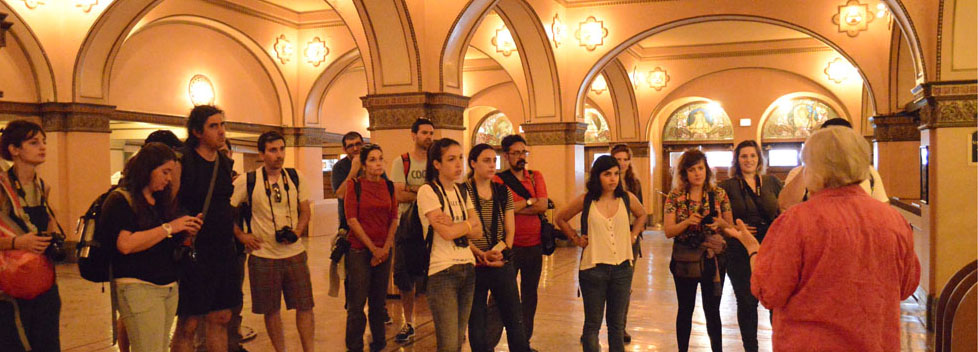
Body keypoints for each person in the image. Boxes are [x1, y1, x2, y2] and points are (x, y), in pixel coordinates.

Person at [722, 126, 920, 351]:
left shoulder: (796, 222)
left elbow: (769, 292)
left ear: (813, 168)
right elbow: (907, 286)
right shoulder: (893, 220)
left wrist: (753, 249)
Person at [102, 143, 202, 352]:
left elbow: (162, 241)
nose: (169, 179)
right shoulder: (120, 199)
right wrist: (169, 227)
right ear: (147, 169)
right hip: (138, 287)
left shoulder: (159, 200)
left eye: (171, 173)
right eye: (165, 172)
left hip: (167, 286)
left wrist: (184, 231)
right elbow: (126, 244)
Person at [230, 131, 314, 352]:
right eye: (273, 150)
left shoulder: (296, 177)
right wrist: (241, 236)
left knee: (305, 306)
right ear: (261, 154)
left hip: (294, 253)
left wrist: (297, 231)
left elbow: (305, 210)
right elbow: (226, 212)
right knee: (271, 309)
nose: (279, 155)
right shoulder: (248, 181)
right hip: (263, 256)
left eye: (281, 149)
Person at [555, 155, 647, 352]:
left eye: (616, 174)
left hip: (622, 269)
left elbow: (642, 214)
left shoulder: (626, 198)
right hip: (593, 270)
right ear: (597, 176)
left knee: (616, 326)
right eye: (607, 174)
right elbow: (560, 218)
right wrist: (575, 239)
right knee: (592, 325)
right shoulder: (586, 200)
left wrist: (634, 234)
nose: (613, 179)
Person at [170, 105, 243, 352]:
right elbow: (171, 203)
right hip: (195, 252)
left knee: (221, 317)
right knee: (189, 323)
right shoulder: (184, 161)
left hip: (223, 251)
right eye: (214, 126)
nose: (221, 131)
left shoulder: (224, 162)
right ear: (197, 131)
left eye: (222, 125)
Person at [0, 120, 62, 352]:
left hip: (43, 280)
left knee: (47, 345)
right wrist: (18, 242)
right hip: (9, 286)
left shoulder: (42, 187)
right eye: (34, 142)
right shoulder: (2, 188)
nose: (43, 147)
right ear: (14, 150)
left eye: (43, 142)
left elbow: (47, 225)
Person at [663, 149, 732, 352]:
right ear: (684, 173)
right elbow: (668, 231)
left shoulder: (718, 194)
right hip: (685, 258)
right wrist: (687, 222)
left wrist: (718, 222)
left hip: (713, 259)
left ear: (707, 170)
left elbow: (730, 228)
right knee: (685, 309)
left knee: (712, 311)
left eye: (700, 168)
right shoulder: (675, 196)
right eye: (692, 169)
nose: (697, 173)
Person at [417, 138, 482, 352]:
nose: (458, 165)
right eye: (451, 159)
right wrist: (467, 224)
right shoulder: (427, 191)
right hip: (442, 271)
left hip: (468, 268)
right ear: (436, 164)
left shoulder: (462, 191)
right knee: (448, 344)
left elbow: (479, 230)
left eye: (461, 158)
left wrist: (458, 225)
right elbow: (446, 233)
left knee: (458, 340)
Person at [464, 143, 530, 352]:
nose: (492, 165)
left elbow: (509, 229)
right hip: (474, 262)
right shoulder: (462, 191)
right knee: (476, 318)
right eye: (486, 160)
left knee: (513, 317)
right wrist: (480, 254)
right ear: (473, 163)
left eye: (494, 160)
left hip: (501, 262)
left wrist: (502, 252)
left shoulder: (502, 192)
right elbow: (461, 231)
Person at [717, 140, 782, 352]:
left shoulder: (772, 182)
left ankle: (779, 345)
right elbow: (719, 220)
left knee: (776, 300)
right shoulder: (726, 187)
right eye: (744, 156)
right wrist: (737, 230)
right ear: (737, 160)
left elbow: (783, 211)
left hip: (771, 247)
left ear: (759, 158)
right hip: (739, 250)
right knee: (746, 301)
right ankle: (750, 348)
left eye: (752, 156)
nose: (748, 160)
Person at [492, 134, 549, 344]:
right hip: (509, 246)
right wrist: (528, 202)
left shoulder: (535, 176)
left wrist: (514, 208)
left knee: (529, 296)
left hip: (534, 246)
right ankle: (489, 342)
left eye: (523, 152)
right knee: (500, 296)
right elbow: (499, 209)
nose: (521, 157)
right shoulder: (498, 180)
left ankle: (523, 343)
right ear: (506, 155)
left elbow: (543, 205)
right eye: (516, 153)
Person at [343, 143, 397, 352]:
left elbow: (393, 218)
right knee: (357, 303)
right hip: (360, 250)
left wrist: (385, 247)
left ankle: (379, 343)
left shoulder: (389, 186)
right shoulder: (354, 185)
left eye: (380, 158)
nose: (378, 164)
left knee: (378, 302)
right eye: (372, 160)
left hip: (384, 249)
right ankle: (354, 346)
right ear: (364, 165)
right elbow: (352, 220)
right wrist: (373, 249)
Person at [778, 117, 888, 211]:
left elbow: (883, 205)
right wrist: (810, 162)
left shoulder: (869, 172)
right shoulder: (800, 172)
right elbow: (785, 204)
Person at [390, 118, 434, 342]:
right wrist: (425, 191)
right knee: (405, 278)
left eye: (431, 133)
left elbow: (441, 193)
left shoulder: (436, 162)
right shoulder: (402, 162)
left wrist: (411, 188)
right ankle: (408, 322)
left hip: (432, 227)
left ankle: (441, 321)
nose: (428, 137)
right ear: (413, 135)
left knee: (434, 275)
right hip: (407, 228)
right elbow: (398, 195)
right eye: (424, 132)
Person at [609, 143, 643, 343]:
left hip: (629, 236)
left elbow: (641, 212)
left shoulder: (633, 183)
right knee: (601, 281)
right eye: (618, 159)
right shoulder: (603, 181)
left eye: (625, 159)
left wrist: (634, 234)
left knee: (624, 283)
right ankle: (595, 324)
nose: (622, 163)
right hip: (607, 235)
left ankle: (621, 326)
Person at [332, 132, 365, 234]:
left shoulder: (371, 162)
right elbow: (341, 194)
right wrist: (354, 170)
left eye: (358, 144)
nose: (355, 148)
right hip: (348, 224)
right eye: (350, 146)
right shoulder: (339, 167)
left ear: (363, 144)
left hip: (372, 221)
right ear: (344, 149)